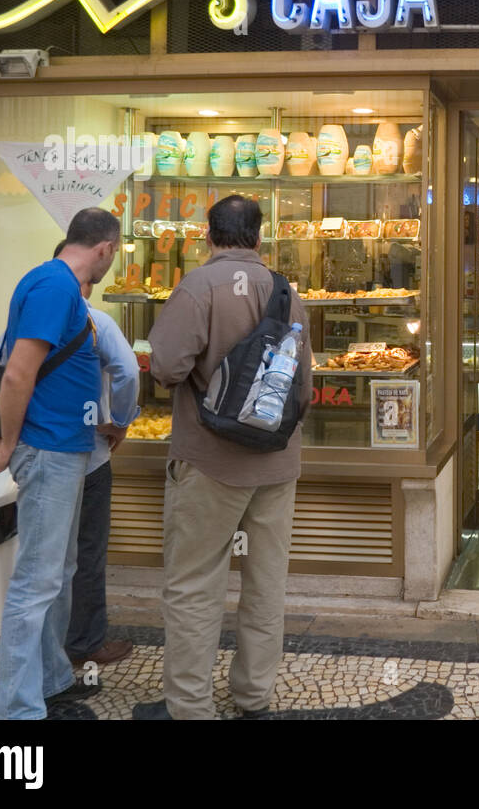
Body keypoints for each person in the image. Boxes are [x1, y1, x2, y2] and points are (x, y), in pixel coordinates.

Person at [134, 195, 313, 720]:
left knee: (194, 584)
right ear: (260, 238)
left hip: (209, 461)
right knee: (266, 584)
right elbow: (302, 386)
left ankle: (189, 707)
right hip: (277, 466)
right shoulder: (287, 292)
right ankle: (254, 696)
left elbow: (165, 366)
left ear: (207, 236)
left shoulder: (197, 287)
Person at [0, 241, 139, 674]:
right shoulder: (82, 312)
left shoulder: (45, 303)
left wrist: (12, 432)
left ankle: (53, 672)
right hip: (69, 453)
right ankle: (27, 697)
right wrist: (118, 421)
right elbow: (127, 372)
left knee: (59, 569)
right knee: (55, 572)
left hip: (65, 450)